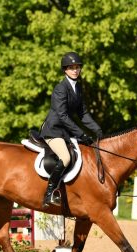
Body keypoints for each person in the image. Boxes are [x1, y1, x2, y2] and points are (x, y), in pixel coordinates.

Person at [39, 51, 103, 208]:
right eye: (71, 67)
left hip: (65, 132)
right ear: (65, 70)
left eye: (77, 67)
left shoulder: (78, 87)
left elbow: (83, 113)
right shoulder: (61, 88)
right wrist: (81, 134)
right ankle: (49, 194)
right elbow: (62, 116)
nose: (75, 70)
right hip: (53, 130)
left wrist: (98, 130)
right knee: (66, 157)